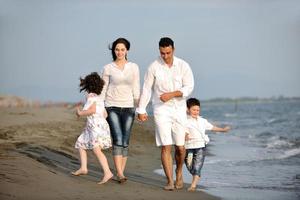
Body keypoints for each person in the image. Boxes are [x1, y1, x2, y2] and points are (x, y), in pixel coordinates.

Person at [137, 37, 194, 191]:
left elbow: (189, 87)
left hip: (179, 109)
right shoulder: (153, 67)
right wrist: (141, 109)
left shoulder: (183, 65)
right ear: (159, 51)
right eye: (162, 53)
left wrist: (173, 94)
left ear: (173, 49)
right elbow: (147, 89)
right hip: (161, 109)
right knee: (165, 146)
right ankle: (169, 181)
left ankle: (179, 171)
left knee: (181, 147)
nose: (165, 56)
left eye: (168, 52)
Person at [100, 38, 140, 183]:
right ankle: (120, 173)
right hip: (112, 107)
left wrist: (140, 108)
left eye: (122, 49)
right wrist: (101, 108)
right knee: (117, 138)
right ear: (114, 51)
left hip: (129, 107)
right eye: (117, 49)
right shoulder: (108, 68)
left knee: (125, 141)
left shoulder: (134, 67)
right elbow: (103, 89)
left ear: (127, 50)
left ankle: (120, 172)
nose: (120, 52)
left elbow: (136, 88)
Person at [72, 72, 113, 185]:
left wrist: (80, 113)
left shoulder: (90, 97)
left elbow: (92, 110)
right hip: (99, 126)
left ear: (87, 86)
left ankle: (107, 172)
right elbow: (105, 114)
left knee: (96, 150)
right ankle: (83, 168)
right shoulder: (99, 98)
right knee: (81, 143)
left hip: (95, 127)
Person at [185, 98, 230, 191]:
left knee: (198, 165)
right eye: (193, 110)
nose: (196, 112)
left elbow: (212, 127)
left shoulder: (202, 121)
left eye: (198, 110)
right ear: (188, 109)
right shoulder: (185, 120)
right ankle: (195, 173)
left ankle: (193, 185)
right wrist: (185, 134)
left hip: (201, 146)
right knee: (190, 166)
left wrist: (223, 130)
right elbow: (180, 130)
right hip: (189, 147)